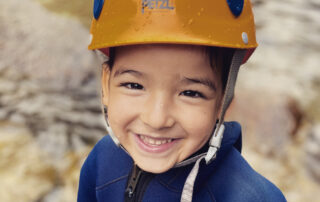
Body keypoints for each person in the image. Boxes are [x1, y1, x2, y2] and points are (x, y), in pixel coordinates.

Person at [78, 0, 287, 201]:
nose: (157, 120)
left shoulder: (253, 198)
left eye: (190, 93)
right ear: (106, 85)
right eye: (134, 86)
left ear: (224, 101)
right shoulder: (101, 162)